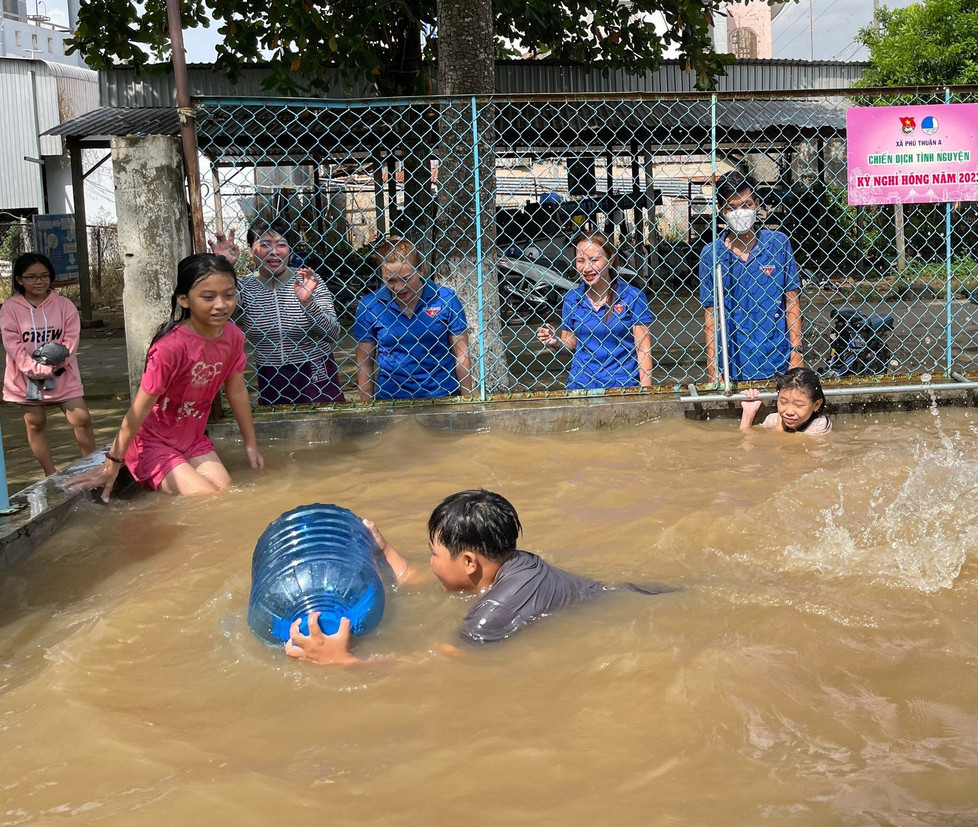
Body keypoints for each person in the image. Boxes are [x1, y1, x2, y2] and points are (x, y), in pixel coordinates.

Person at [284, 489, 617, 663]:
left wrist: (343, 662)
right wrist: (382, 548)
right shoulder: (511, 563)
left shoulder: (493, 613)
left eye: (433, 553)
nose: (431, 562)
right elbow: (424, 583)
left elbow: (432, 664)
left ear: (469, 562)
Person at [63, 253, 263, 502]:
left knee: (226, 494)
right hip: (152, 445)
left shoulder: (233, 336)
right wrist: (112, 462)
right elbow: (140, 407)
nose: (221, 305)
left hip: (192, 440)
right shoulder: (171, 346)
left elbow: (237, 391)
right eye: (208, 297)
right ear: (184, 299)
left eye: (229, 295)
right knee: (208, 499)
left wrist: (250, 443)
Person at [211, 222, 345, 405]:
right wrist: (224, 267)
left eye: (281, 244)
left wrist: (308, 303)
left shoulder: (308, 280)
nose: (274, 251)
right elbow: (223, 312)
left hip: (316, 374)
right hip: (270, 376)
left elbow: (333, 334)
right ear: (250, 251)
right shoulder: (243, 286)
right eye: (265, 244)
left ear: (289, 250)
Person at [699, 179, 804, 384]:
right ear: (721, 209)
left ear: (756, 204)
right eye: (732, 207)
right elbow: (710, 314)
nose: (740, 213)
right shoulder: (712, 254)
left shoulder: (778, 244)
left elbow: (792, 300)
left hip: (778, 359)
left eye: (746, 205)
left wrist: (797, 352)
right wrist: (712, 367)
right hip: (734, 362)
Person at [0, 252, 96, 474]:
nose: (39, 281)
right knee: (36, 423)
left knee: (81, 418)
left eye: (44, 275)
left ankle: (93, 469)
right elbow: (12, 344)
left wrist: (53, 366)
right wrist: (34, 369)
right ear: (19, 279)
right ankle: (49, 474)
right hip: (25, 378)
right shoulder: (9, 309)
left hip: (62, 374)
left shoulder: (64, 305)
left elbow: (71, 340)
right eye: (31, 277)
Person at [352, 238, 473, 400]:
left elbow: (461, 355)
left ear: (421, 270)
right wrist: (366, 406)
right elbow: (365, 364)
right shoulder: (370, 306)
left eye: (406, 278)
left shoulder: (445, 299)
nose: (399, 287)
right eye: (390, 280)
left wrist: (467, 401)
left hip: (443, 394)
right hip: (391, 397)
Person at [535, 230, 654, 391]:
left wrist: (646, 392)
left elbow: (643, 349)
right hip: (580, 386)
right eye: (580, 261)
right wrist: (555, 342)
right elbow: (570, 344)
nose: (586, 268)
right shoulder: (572, 299)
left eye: (594, 260)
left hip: (622, 386)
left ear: (610, 260)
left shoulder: (632, 297)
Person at [739, 366, 833, 433]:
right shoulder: (773, 419)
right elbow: (745, 440)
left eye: (799, 405)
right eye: (783, 402)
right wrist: (748, 413)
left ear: (816, 405)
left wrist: (780, 427)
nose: (789, 412)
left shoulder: (821, 425)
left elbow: (785, 445)